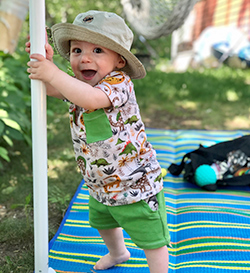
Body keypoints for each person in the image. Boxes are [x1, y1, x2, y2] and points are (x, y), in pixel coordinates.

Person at [26, 10, 170, 272]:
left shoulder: (118, 83)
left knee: (151, 236)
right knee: (103, 222)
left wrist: (54, 74)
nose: (85, 58)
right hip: (98, 181)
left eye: (98, 51)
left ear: (119, 61)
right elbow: (52, 87)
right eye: (77, 50)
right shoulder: (78, 85)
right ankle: (118, 253)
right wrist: (45, 63)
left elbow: (91, 99)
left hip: (134, 182)